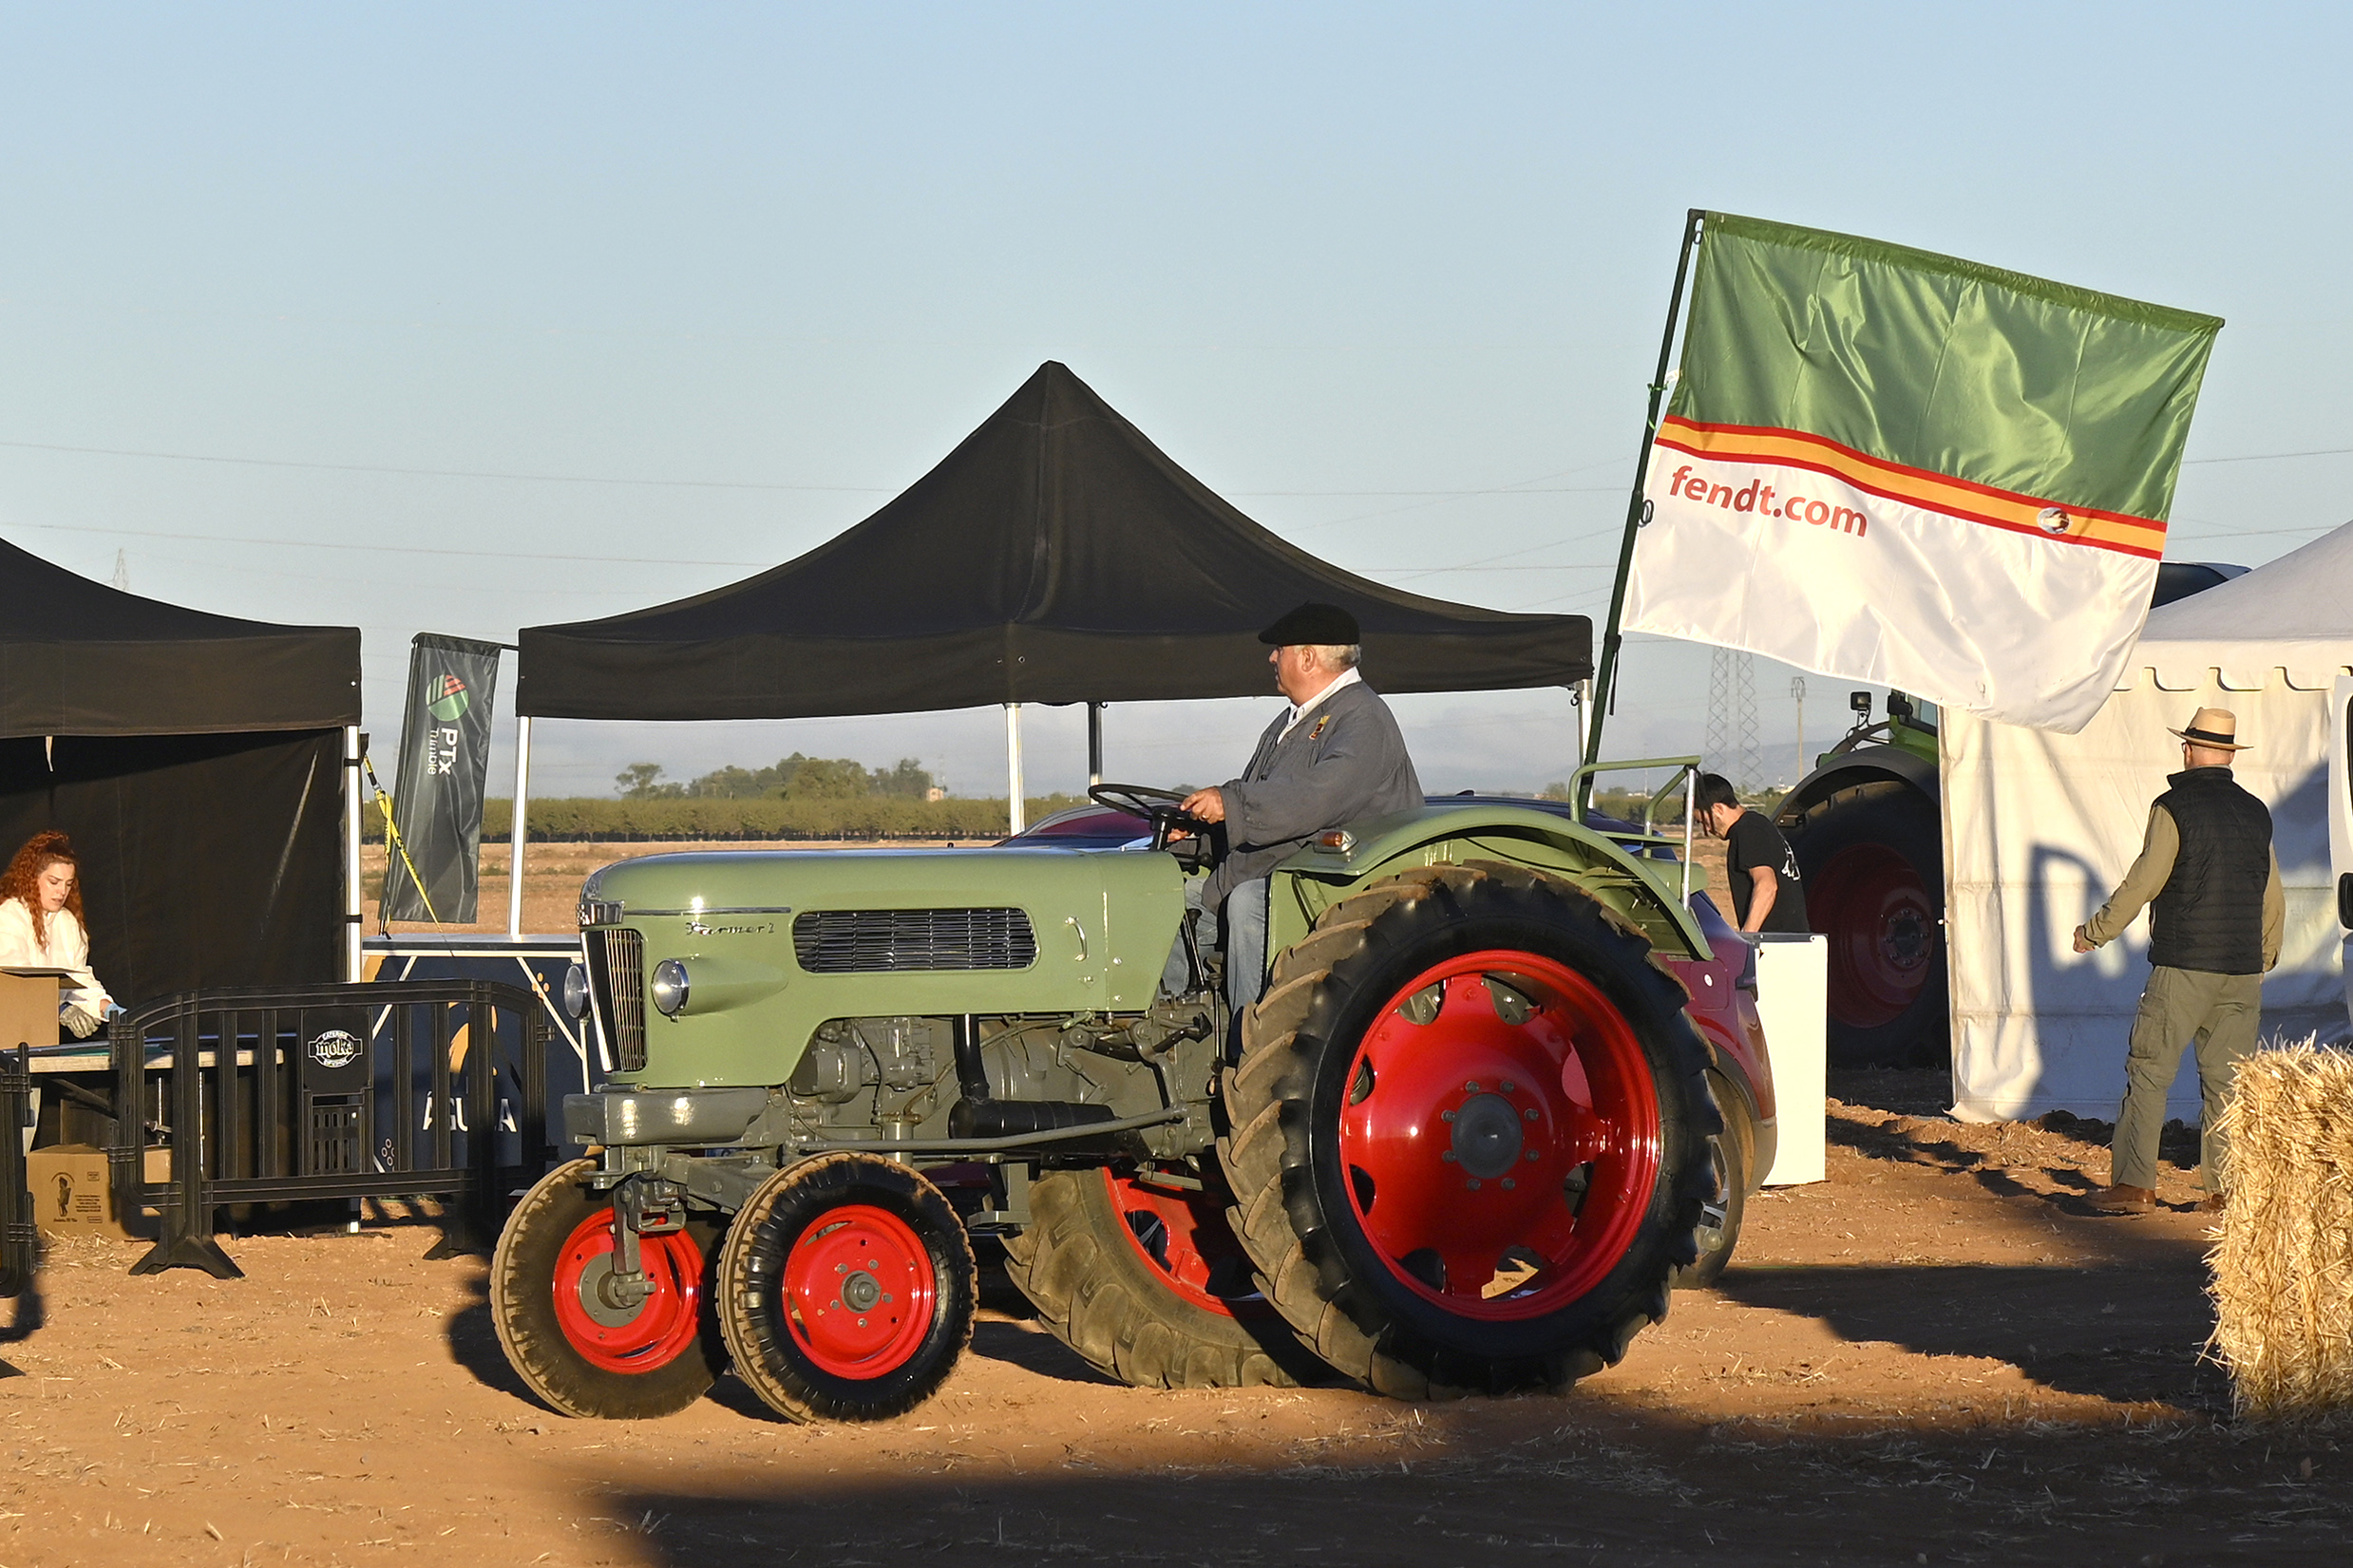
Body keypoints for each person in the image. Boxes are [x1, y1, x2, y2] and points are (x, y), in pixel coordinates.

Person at [2071, 708, 2283, 1216]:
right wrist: (2265, 955)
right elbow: (2272, 892)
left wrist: (2096, 931)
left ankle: (2135, 1185)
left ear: (2187, 750)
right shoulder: (2256, 812)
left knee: (2150, 1072)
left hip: (2184, 966)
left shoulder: (2173, 807)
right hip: (2242, 970)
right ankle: (2224, 1192)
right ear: (2229, 755)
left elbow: (2144, 881)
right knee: (2228, 1084)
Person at [1162, 602, 1423, 1012]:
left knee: (1249, 903)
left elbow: (1313, 799)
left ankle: (1248, 1042)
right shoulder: (1291, 722)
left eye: (1279, 649)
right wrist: (1198, 837)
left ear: (1307, 657)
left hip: (1335, 885)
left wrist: (1229, 803)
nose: (1271, 658)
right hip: (1273, 871)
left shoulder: (1363, 718)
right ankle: (1165, 1022)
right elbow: (1260, 806)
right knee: (1164, 897)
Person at [0, 830, 120, 1040]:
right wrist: (61, 1009)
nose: (62, 891)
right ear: (31, 877)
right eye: (54, 882)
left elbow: (80, 982)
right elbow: (17, 983)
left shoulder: (67, 923)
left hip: (44, 1034)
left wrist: (111, 1010)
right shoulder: (9, 916)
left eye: (68, 884)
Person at [1695, 773, 1809, 935]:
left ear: (1718, 808)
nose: (1707, 829)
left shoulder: (1748, 831)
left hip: (1776, 940)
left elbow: (1767, 885)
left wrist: (1748, 936)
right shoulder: (1757, 825)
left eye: (1704, 821)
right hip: (1790, 938)